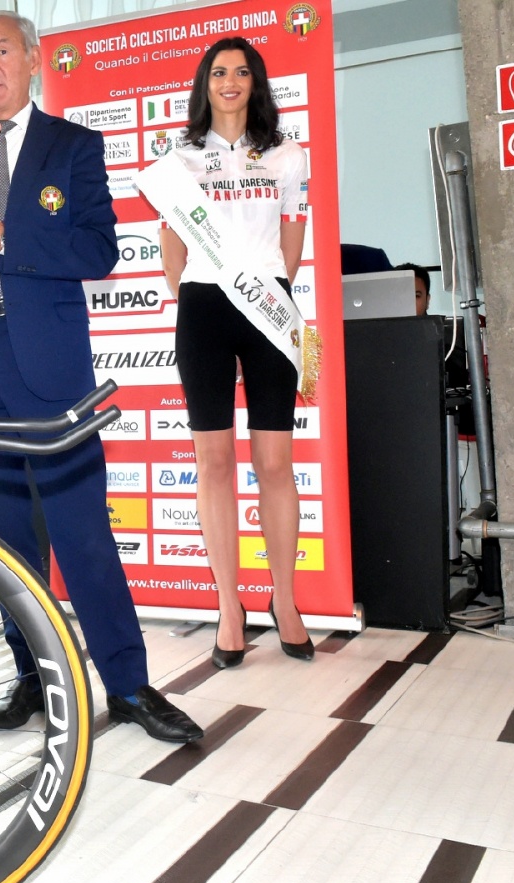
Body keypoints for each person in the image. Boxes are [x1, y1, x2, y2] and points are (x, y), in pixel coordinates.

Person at [0, 11, 203, 744]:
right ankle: (30, 677)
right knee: (1, 541)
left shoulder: (74, 147)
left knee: (82, 531)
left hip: (48, 363)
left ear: (32, 60)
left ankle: (128, 684)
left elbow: (99, 250)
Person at [158, 37, 314, 669]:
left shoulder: (283, 151)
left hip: (268, 307)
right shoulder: (181, 155)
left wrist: (266, 292)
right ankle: (230, 606)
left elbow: (292, 233)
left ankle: (286, 600)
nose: (229, 82)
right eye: (218, 72)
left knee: (275, 464)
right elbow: (169, 239)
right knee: (213, 461)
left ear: (255, 83)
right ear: (206, 83)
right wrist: (195, 296)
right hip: (203, 308)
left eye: (241, 72)